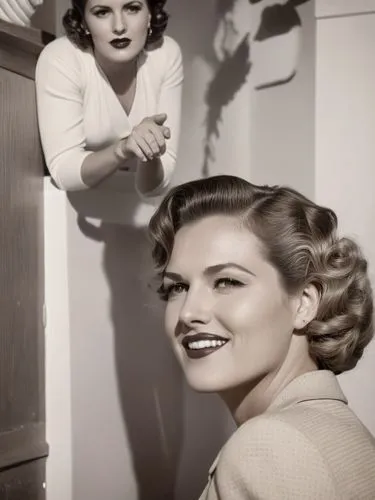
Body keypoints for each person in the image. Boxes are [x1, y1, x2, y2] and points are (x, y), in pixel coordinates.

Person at [148, 174, 375, 499]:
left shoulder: (269, 446)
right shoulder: (338, 432)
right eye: (177, 287)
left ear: (304, 303)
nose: (187, 313)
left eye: (226, 281)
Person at [35, 0, 183, 198]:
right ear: (84, 22)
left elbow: (155, 187)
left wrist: (150, 150)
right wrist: (122, 149)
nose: (119, 26)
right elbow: (63, 170)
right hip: (71, 209)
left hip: (139, 208)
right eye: (102, 12)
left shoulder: (165, 54)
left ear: (150, 14)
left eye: (132, 8)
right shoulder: (61, 59)